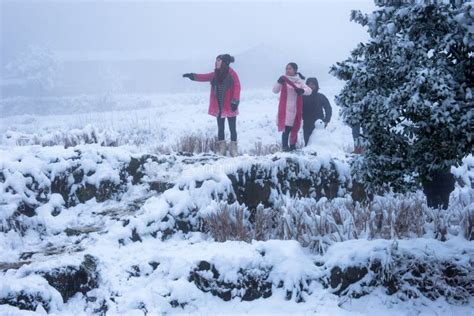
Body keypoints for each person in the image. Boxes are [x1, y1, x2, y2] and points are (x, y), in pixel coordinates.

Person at [182, 54, 241, 157]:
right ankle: (222, 148)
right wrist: (192, 76)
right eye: (216, 61)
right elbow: (204, 77)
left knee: (232, 128)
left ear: (224, 62)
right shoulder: (215, 74)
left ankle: (233, 149)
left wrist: (235, 101)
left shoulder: (232, 74)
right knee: (220, 128)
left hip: (230, 106)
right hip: (219, 107)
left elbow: (237, 86)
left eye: (219, 60)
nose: (216, 62)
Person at [272, 62, 312, 151]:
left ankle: (293, 146)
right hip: (285, 110)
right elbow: (275, 90)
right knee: (286, 130)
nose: (287, 70)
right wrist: (278, 82)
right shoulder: (283, 80)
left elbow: (309, 91)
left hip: (296, 110)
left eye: (289, 68)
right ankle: (285, 147)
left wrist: (302, 91)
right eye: (286, 68)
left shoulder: (299, 81)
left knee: (294, 130)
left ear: (295, 70)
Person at [302, 77, 332, 146]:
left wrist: (326, 120)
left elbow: (328, 108)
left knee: (319, 143)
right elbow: (297, 109)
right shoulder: (303, 97)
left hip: (318, 124)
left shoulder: (321, 96)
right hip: (307, 123)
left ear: (316, 85)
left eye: (313, 84)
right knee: (307, 142)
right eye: (309, 84)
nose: (311, 86)